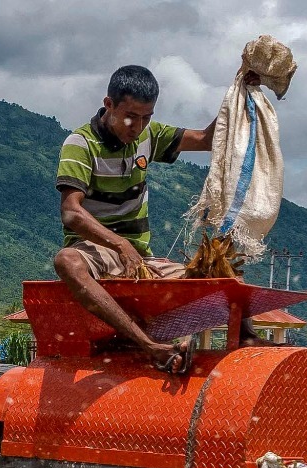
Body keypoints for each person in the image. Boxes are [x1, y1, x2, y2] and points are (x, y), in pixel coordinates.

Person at [53, 65, 242, 372]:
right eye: (130, 116)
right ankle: (150, 345)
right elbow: (71, 212)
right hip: (95, 250)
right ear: (109, 104)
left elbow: (207, 139)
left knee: (223, 276)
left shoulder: (148, 136)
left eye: (146, 117)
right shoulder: (81, 144)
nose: (138, 126)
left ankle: (244, 347)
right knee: (66, 261)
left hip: (142, 260)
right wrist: (119, 244)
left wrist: (239, 90)